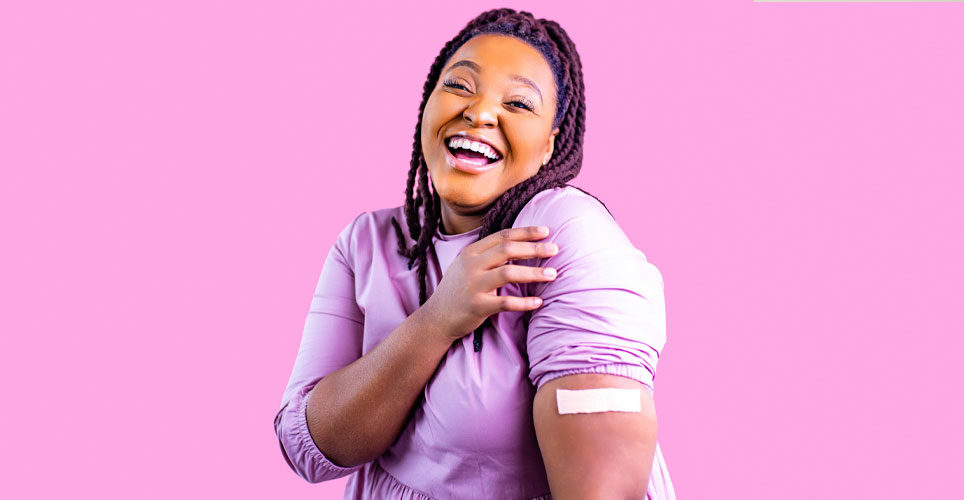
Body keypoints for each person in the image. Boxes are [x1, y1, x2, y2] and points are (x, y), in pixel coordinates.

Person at [274, 8, 675, 499]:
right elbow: (311, 447)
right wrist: (437, 319)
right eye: (460, 87)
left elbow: (604, 485)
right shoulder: (367, 242)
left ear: (551, 145)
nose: (481, 112)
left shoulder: (563, 236)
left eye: (520, 103)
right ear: (427, 105)